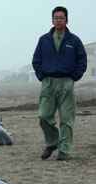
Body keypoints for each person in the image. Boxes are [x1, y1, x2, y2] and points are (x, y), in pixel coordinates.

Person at [32, 6, 87, 161]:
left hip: (66, 83)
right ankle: (52, 142)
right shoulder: (44, 40)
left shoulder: (74, 40)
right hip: (48, 82)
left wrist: (74, 76)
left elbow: (82, 60)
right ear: (52, 20)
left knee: (67, 119)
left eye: (61, 18)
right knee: (43, 116)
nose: (58, 20)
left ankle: (64, 151)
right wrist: (41, 75)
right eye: (56, 18)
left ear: (66, 20)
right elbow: (36, 60)